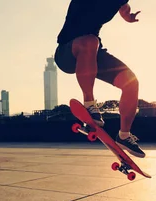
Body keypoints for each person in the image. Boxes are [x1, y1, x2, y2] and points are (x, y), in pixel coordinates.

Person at [54, 0, 146, 158]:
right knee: (90, 41)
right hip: (67, 52)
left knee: (131, 82)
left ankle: (124, 136)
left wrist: (127, 16)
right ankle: (89, 104)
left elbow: (124, 7)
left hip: (94, 53)